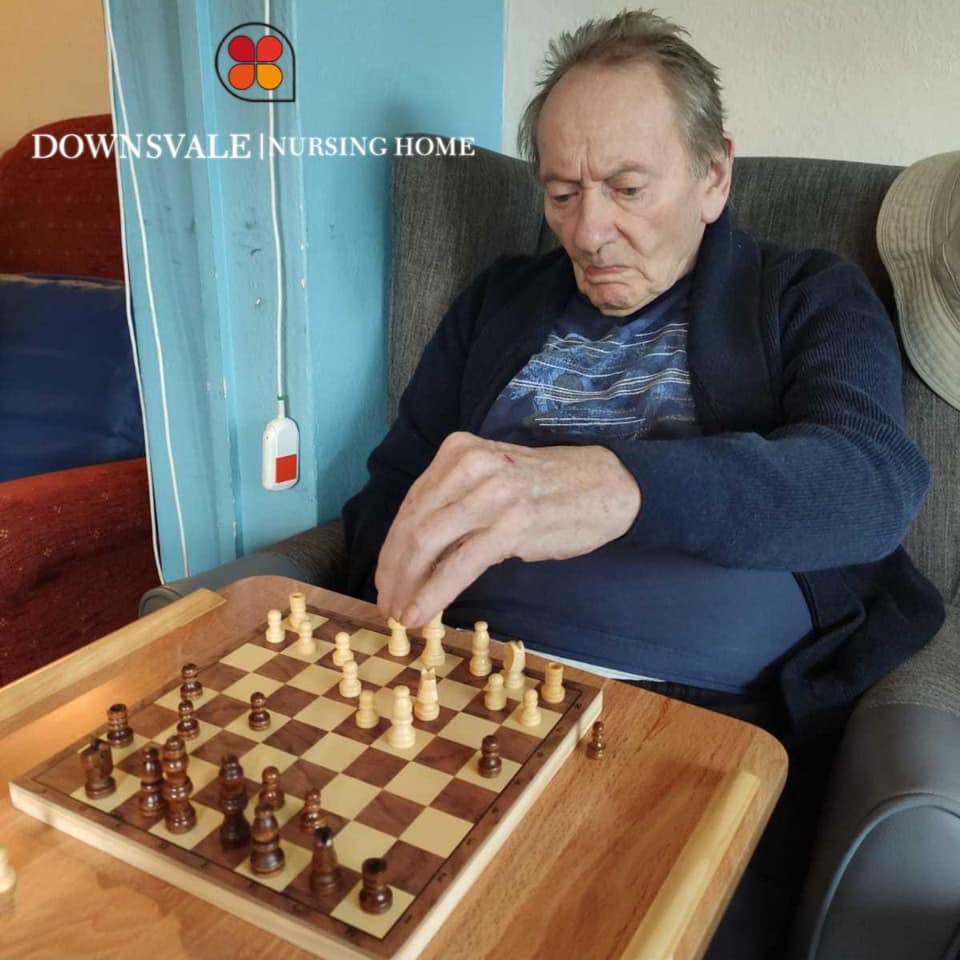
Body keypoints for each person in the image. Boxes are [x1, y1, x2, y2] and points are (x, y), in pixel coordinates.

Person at [342, 10, 944, 957]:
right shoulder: (501, 300)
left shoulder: (805, 293)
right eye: (561, 193)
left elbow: (870, 482)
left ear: (714, 174)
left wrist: (619, 483)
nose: (589, 233)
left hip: (699, 725)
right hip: (462, 693)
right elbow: (393, 487)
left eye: (627, 188)